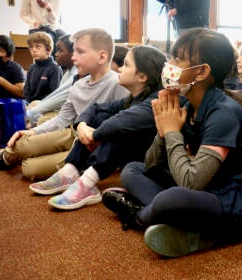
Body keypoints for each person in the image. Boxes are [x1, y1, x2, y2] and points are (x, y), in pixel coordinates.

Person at [102, 28, 242, 258]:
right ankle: (177, 220)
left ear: (201, 72)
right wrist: (163, 133)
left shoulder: (223, 113)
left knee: (173, 198)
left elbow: (191, 183)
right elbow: (151, 165)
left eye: (177, 58)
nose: (168, 64)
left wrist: (173, 133)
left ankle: (139, 216)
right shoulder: (189, 103)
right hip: (209, 188)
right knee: (133, 170)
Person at [29, 45, 167, 210]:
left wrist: (94, 136)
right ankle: (70, 171)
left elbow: (119, 122)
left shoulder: (156, 101)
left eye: (127, 65)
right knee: (101, 116)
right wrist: (82, 126)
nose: (120, 68)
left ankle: (87, 183)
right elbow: (96, 108)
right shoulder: (133, 97)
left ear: (143, 77)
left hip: (150, 164)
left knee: (120, 130)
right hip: (107, 145)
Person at [0, 28, 129, 181]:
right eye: (74, 52)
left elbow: (121, 127)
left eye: (80, 52)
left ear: (102, 56)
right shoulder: (78, 85)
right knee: (22, 143)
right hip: (72, 134)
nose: (73, 57)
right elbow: (62, 118)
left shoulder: (118, 84)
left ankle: (85, 166)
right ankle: (7, 156)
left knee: (30, 168)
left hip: (92, 144)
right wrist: (34, 132)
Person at [26, 34, 79, 127]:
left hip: (69, 118)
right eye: (31, 48)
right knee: (34, 105)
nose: (56, 54)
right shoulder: (67, 73)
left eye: (60, 51)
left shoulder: (60, 70)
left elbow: (58, 97)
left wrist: (32, 112)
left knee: (37, 117)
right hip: (59, 110)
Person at [23, 31, 63, 103]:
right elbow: (26, 91)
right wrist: (27, 104)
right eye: (31, 47)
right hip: (30, 105)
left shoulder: (55, 68)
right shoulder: (31, 68)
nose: (33, 50)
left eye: (38, 46)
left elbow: (53, 94)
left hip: (45, 106)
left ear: (48, 49)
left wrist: (37, 106)